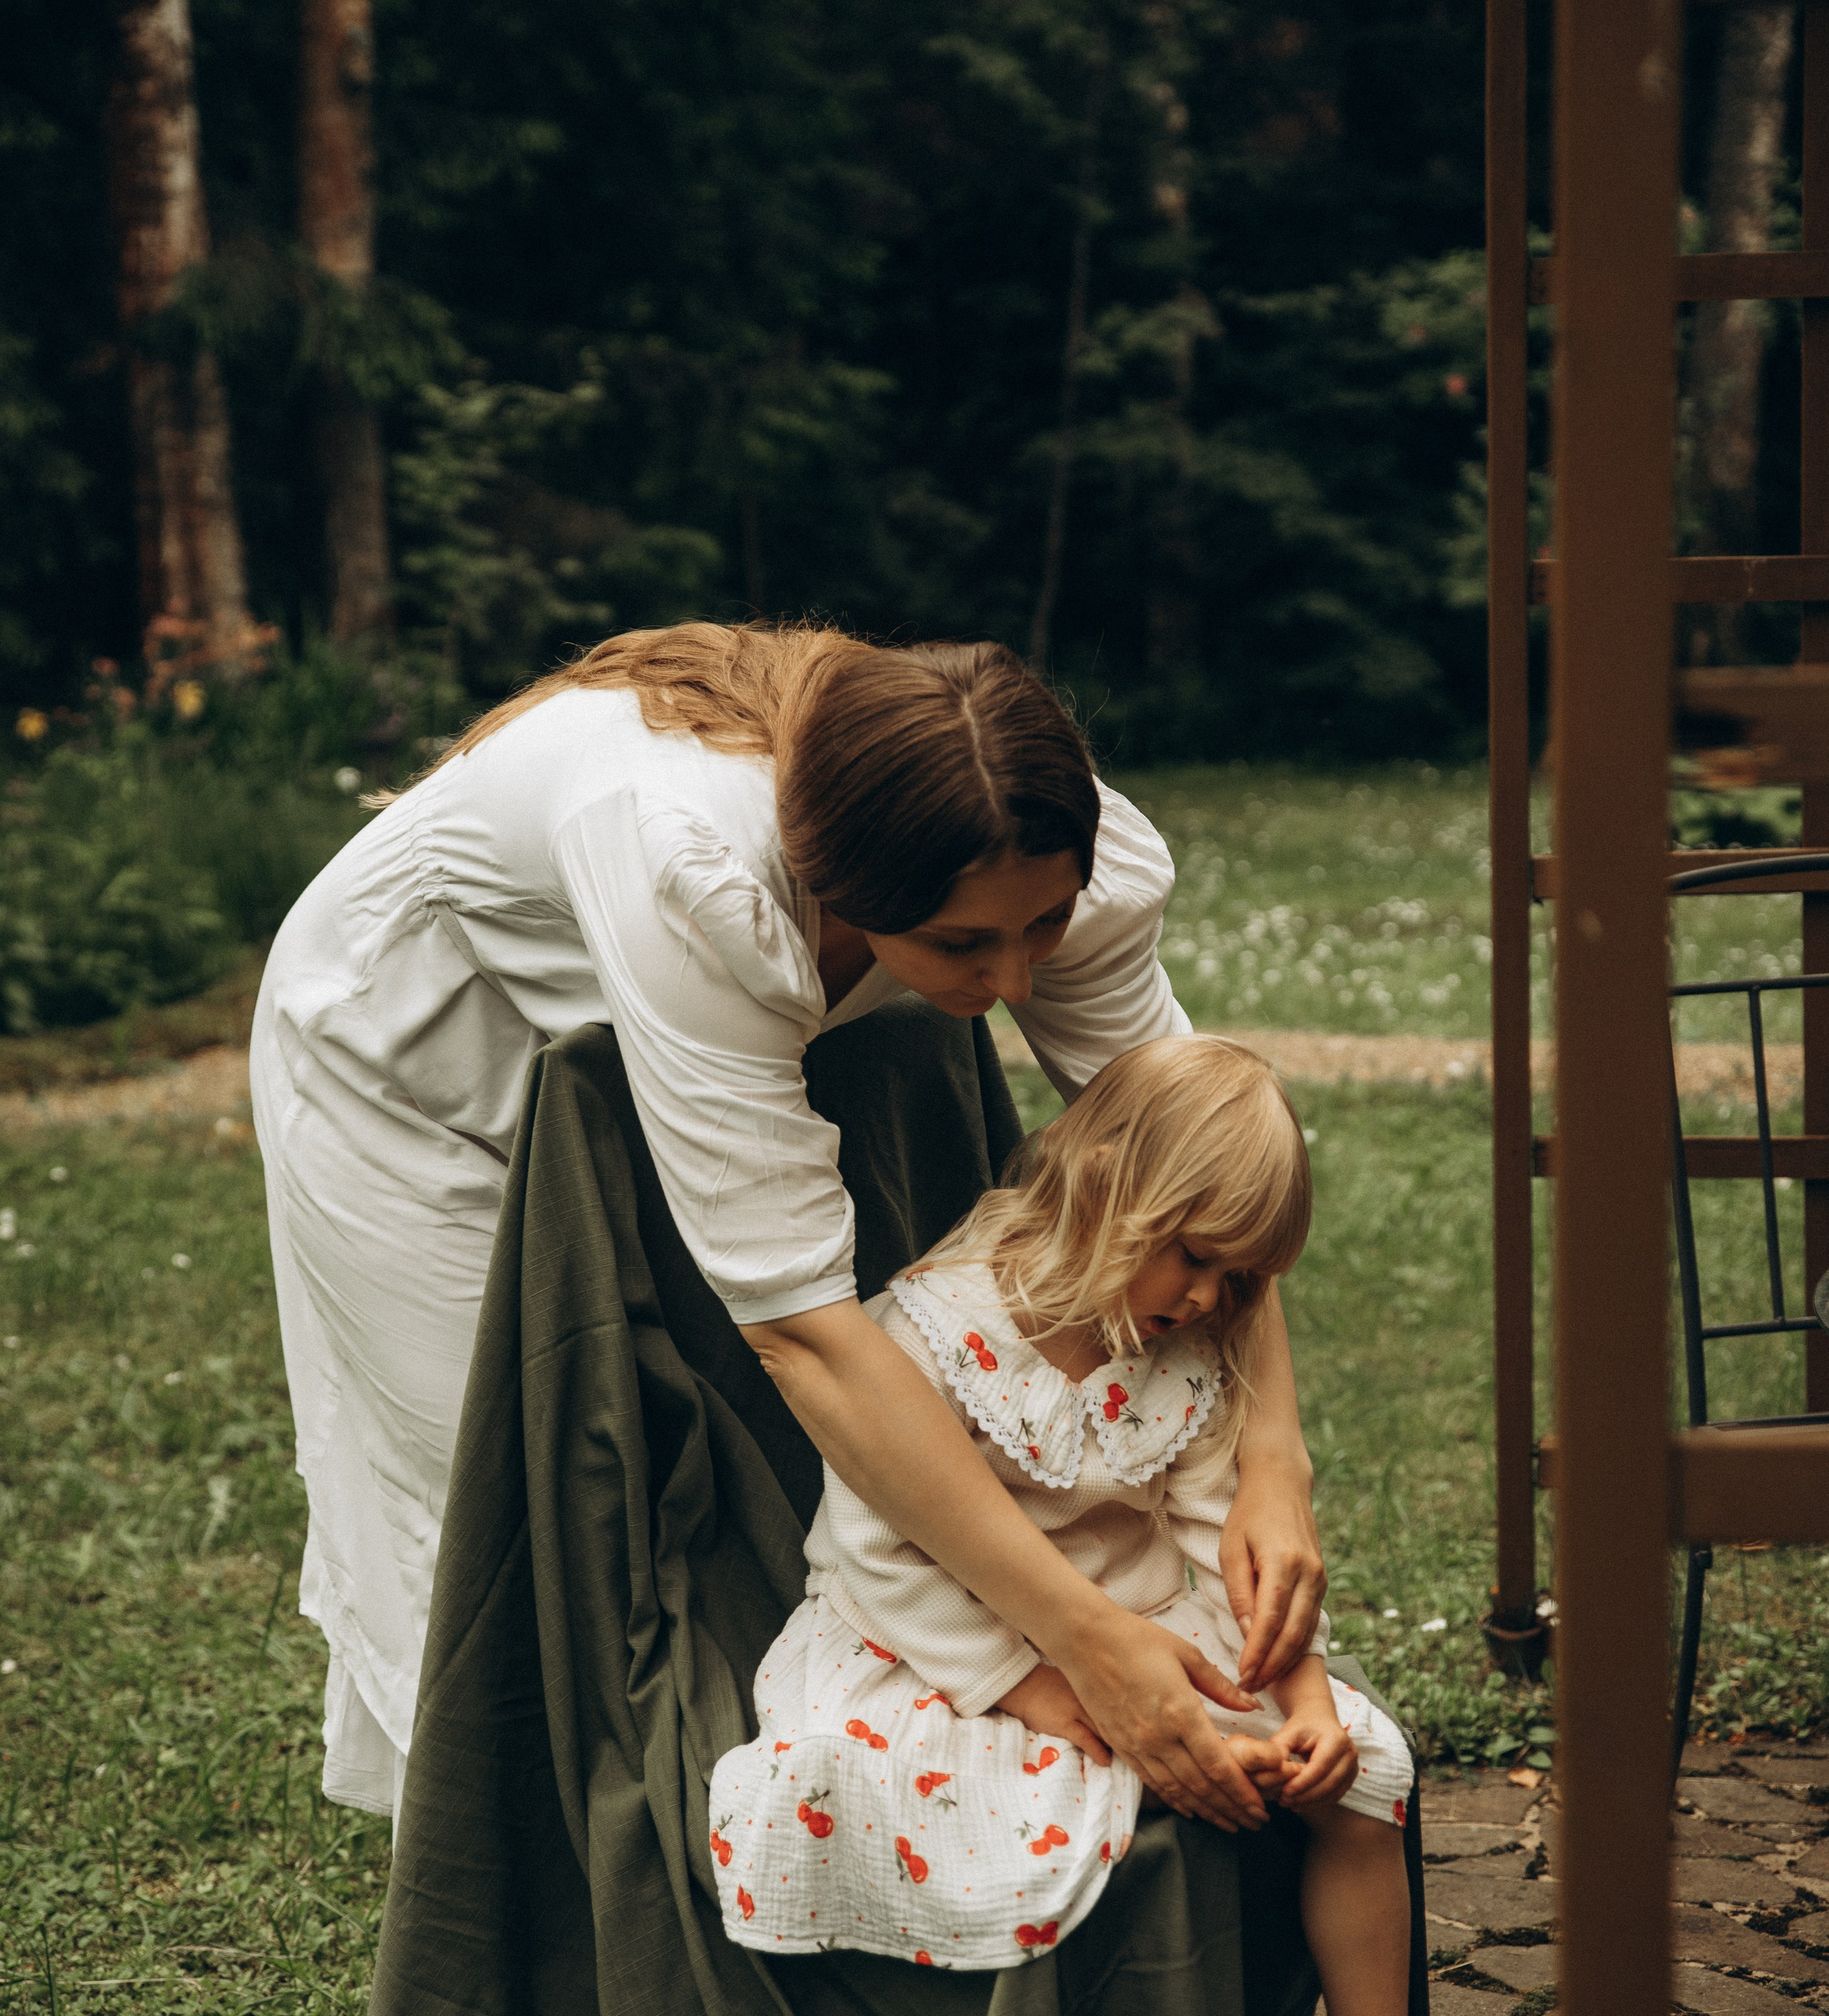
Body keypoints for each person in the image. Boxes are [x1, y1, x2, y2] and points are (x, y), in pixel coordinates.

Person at [251, 620, 1325, 1826]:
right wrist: (1083, 1637)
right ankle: (523, 1876)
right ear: (839, 883)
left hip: (651, 1041)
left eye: (1045, 927)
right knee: (515, 1495)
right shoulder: (690, 867)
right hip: (408, 1068)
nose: (1016, 983)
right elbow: (804, 1335)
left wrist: (1274, 1463)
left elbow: (1196, 1167)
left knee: (766, 1485)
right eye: (962, 944)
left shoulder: (1026, 834)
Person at [709, 1033, 1449, 2016]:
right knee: (1013, 1816)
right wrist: (1043, 1691)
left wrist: (1304, 1693)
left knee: (1362, 1777)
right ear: (1105, 1185)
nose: (1210, 1300)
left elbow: (1223, 1534)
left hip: (1128, 1615)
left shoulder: (1189, 1337)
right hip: (940, 1640)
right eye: (1196, 1258)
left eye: (1240, 1279)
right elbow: (878, 1554)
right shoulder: (933, 1329)